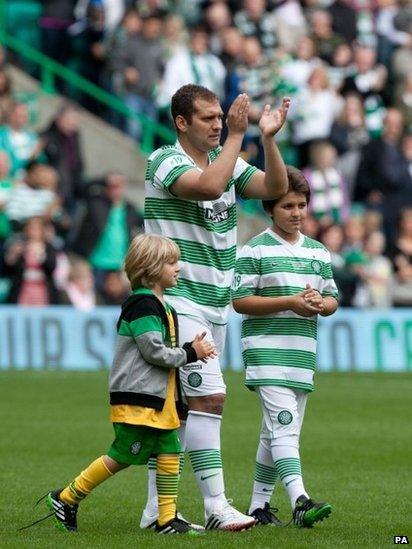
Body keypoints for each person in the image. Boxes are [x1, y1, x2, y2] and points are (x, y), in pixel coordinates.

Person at [143, 83, 290, 530]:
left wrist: (267, 140)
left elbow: (274, 188)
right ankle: (217, 507)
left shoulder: (230, 162)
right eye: (208, 117)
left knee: (183, 411)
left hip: (217, 303)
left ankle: (155, 511)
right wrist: (235, 138)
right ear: (181, 122)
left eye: (220, 116)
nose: (218, 123)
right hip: (179, 299)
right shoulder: (164, 160)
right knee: (210, 397)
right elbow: (208, 187)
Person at [34, 234, 216, 534]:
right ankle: (66, 497)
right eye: (171, 262)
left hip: (159, 399)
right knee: (122, 454)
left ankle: (166, 519)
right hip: (138, 398)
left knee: (170, 449)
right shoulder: (142, 304)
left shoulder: (159, 304)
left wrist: (187, 348)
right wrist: (190, 353)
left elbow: (157, 347)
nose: (178, 267)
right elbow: (153, 351)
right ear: (151, 267)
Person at [232, 166, 338, 527]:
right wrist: (289, 302)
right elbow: (240, 300)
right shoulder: (255, 250)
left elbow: (332, 297)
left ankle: (258, 506)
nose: (297, 213)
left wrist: (319, 304)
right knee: (284, 426)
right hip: (265, 350)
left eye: (302, 205)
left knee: (276, 431)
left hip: (301, 353)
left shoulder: (319, 252)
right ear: (270, 209)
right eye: (288, 206)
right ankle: (300, 501)